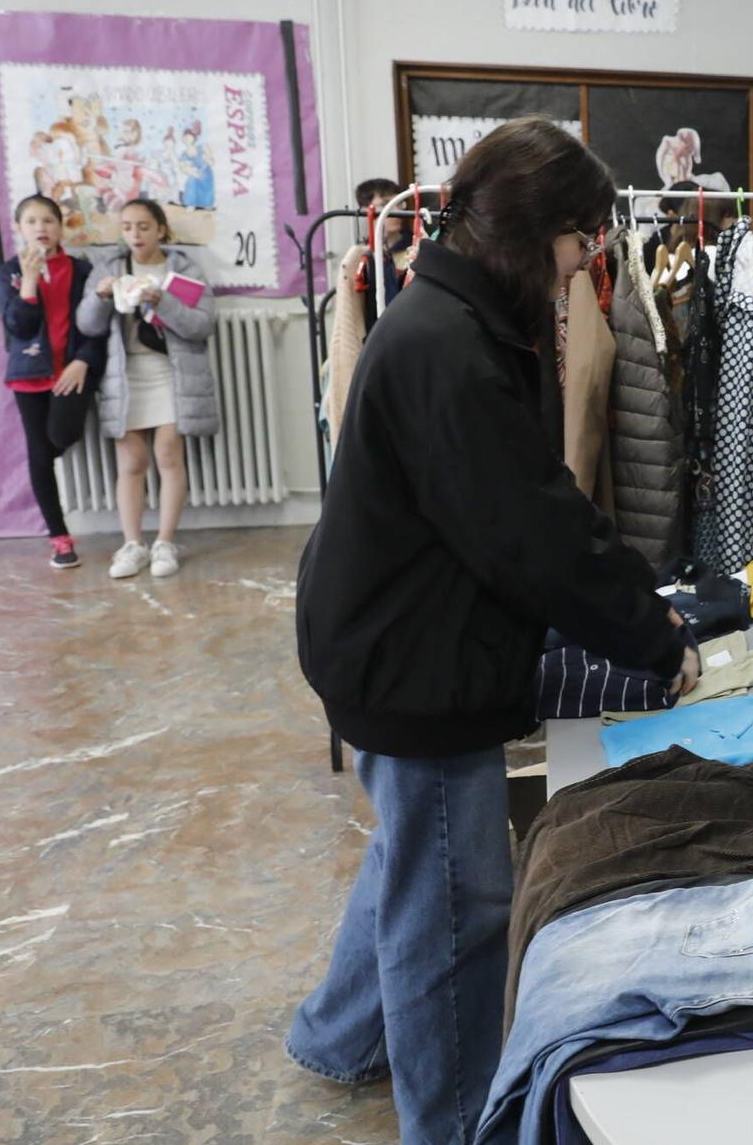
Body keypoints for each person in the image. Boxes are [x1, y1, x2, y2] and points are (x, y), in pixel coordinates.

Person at [288, 118, 699, 1142]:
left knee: (410, 854)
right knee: (456, 914)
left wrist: (633, 611)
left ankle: (337, 1036)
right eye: (577, 245)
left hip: (394, 633)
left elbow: (532, 508)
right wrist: (655, 636)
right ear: (532, 234)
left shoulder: (462, 314)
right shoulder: (452, 348)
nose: (584, 265)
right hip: (411, 659)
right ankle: (460, 1120)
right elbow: (533, 529)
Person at [77, 197, 217, 579]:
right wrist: (101, 296)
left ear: (160, 230)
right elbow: (87, 325)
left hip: (173, 374)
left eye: (143, 226)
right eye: (127, 227)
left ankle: (164, 543)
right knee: (131, 462)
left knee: (170, 456)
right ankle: (132, 545)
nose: (134, 234)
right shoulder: (107, 268)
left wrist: (163, 300)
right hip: (124, 378)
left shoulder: (184, 268)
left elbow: (202, 326)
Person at [0, 195, 104, 569]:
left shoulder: (82, 270)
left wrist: (83, 361)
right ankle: (60, 539)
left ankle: (58, 531)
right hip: (30, 375)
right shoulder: (8, 270)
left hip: (72, 372)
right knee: (39, 457)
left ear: (61, 226)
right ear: (19, 228)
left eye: (48, 220)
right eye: (31, 221)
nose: (41, 228)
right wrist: (28, 281)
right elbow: (18, 327)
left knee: (61, 436)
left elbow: (97, 324)